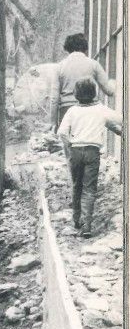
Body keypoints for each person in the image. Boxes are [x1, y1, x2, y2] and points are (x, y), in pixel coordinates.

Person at [56, 79, 123, 238]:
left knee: (76, 185)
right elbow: (120, 119)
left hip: (76, 151)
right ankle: (87, 226)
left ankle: (76, 219)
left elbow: (62, 132)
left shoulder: (72, 111)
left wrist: (70, 144)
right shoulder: (100, 109)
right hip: (93, 152)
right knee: (90, 188)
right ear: (94, 93)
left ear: (75, 94)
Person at [52, 33, 116, 132]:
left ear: (67, 48)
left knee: (68, 143)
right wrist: (114, 83)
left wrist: (53, 123)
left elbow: (54, 98)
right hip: (90, 110)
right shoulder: (94, 64)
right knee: (89, 139)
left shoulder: (59, 67)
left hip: (67, 110)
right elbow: (109, 91)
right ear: (85, 48)